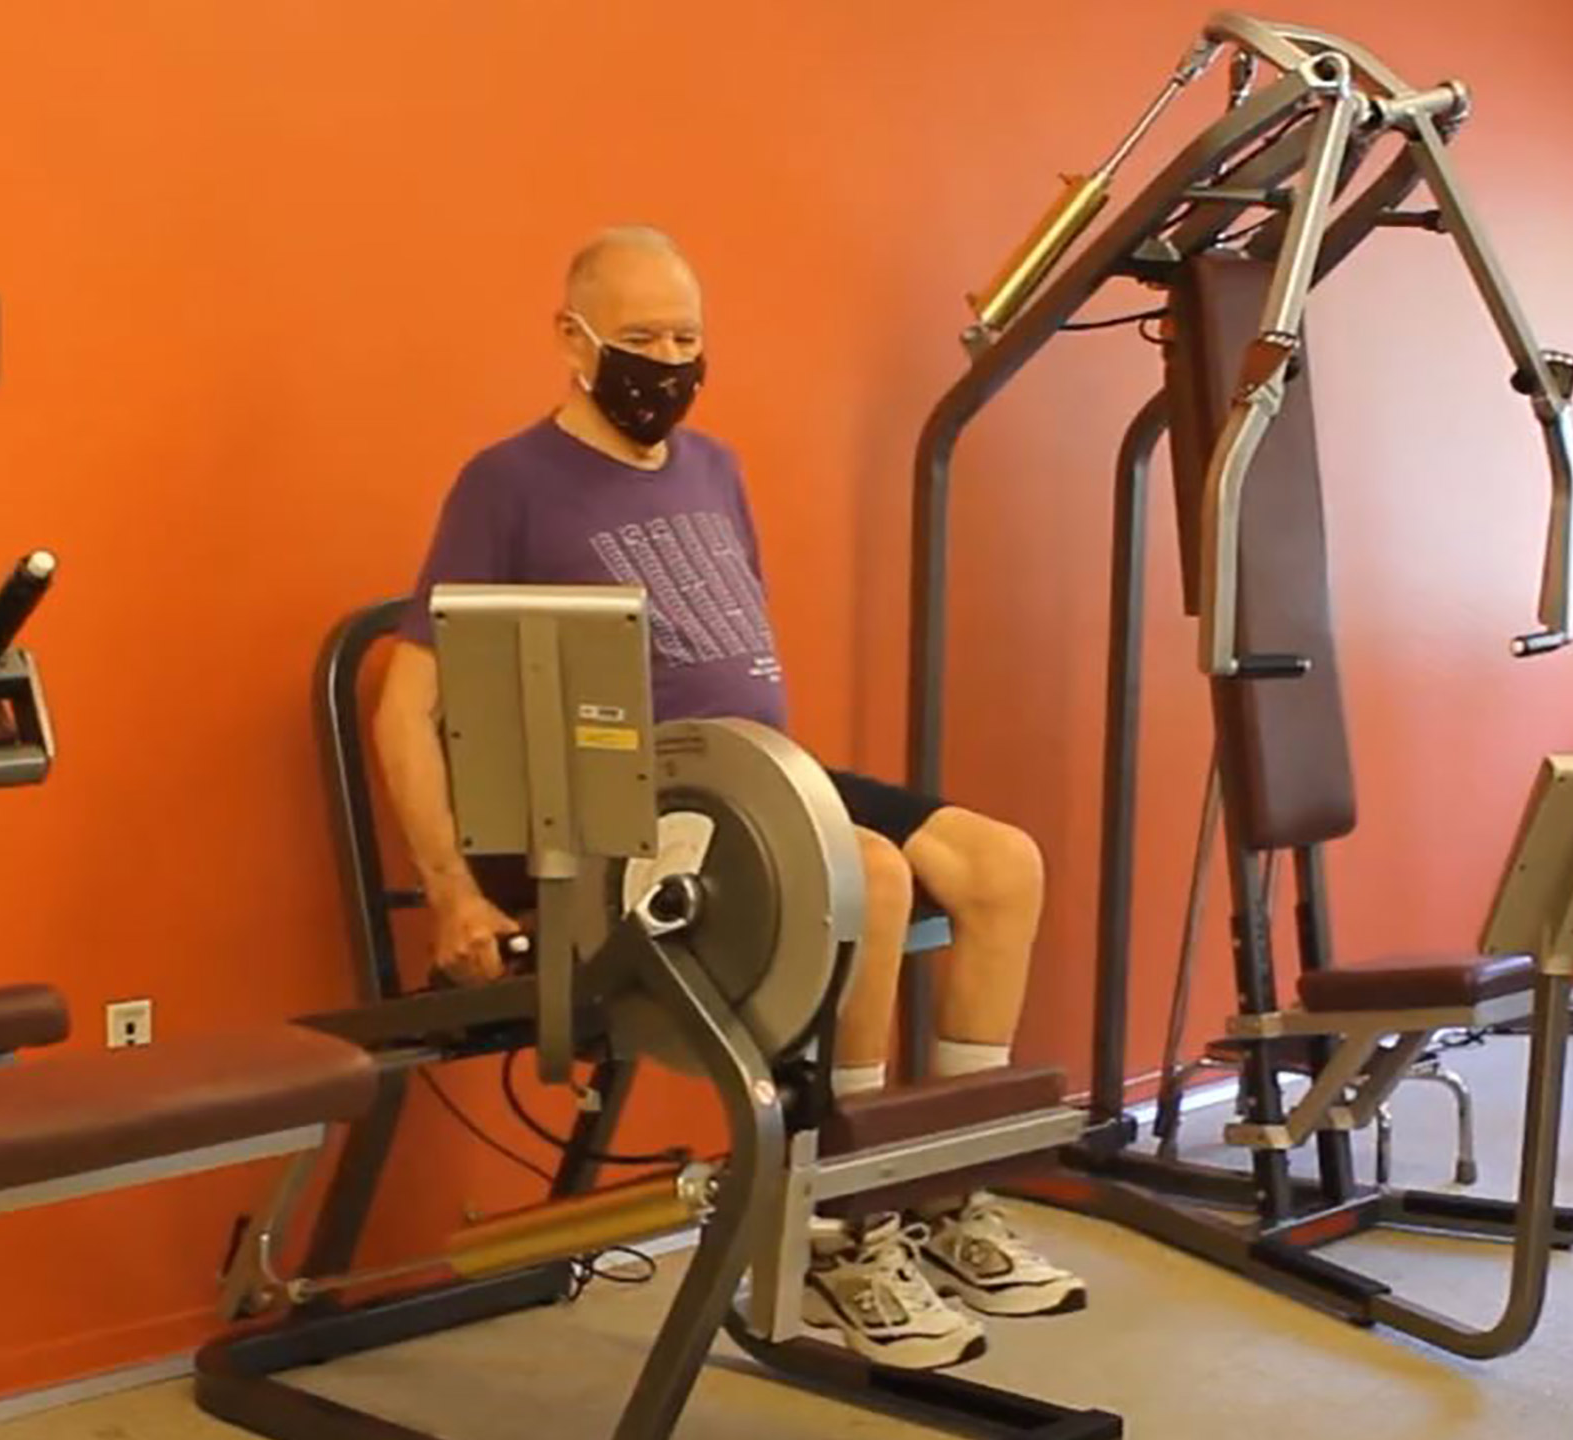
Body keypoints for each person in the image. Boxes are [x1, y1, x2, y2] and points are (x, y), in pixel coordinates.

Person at [373, 224, 1085, 1372]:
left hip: (755, 783)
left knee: (1004, 861)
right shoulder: (505, 484)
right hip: (623, 811)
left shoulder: (715, 465)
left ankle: (948, 1191)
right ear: (573, 339)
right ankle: (841, 1225)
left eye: (686, 337)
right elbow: (402, 706)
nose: (667, 360)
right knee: (877, 874)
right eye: (640, 337)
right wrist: (451, 892)